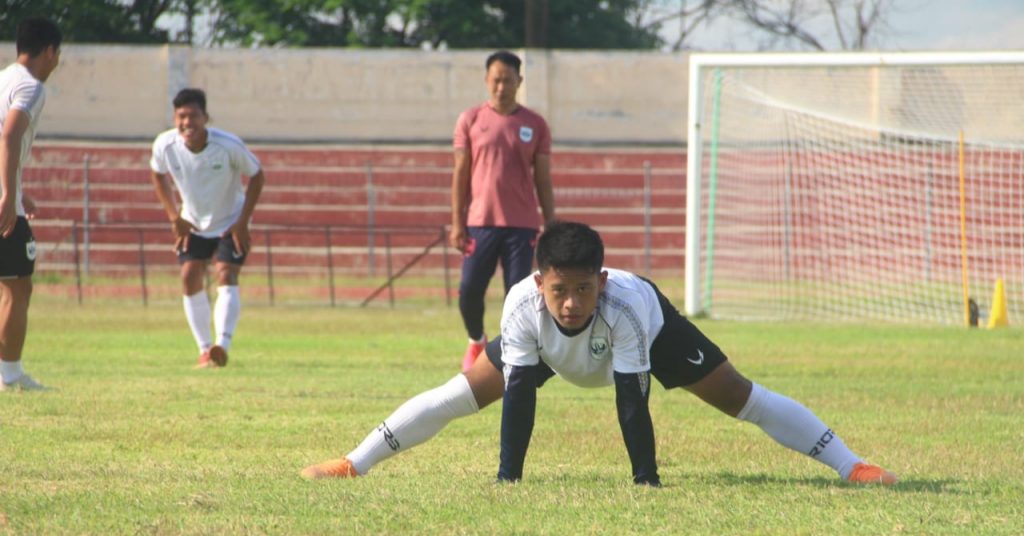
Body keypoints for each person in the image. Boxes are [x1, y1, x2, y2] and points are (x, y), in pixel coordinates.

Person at [302, 221, 897, 487]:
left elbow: (630, 405)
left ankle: (853, 466)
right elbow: (518, 403)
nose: (569, 302)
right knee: (465, 393)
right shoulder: (520, 308)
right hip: (545, 348)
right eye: (558, 290)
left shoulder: (627, 308)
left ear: (601, 282)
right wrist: (509, 479)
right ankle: (354, 461)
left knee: (740, 397)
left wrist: (647, 483)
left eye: (582, 289)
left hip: (653, 333)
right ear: (539, 283)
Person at [451, 50, 556, 371]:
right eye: (496, 80)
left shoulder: (534, 124)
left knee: (517, 296)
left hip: (521, 226)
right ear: (487, 81)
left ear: (519, 81)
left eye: (508, 80)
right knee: (469, 290)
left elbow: (542, 178)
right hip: (480, 223)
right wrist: (457, 222)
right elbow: (460, 174)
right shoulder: (470, 119)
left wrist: (551, 224)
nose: (501, 87)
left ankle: (510, 354)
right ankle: (475, 340)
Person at [150, 88, 264, 369]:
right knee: (189, 276)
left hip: (230, 221)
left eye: (193, 116)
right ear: (175, 118)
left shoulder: (228, 145)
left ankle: (221, 346)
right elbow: (157, 173)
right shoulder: (165, 145)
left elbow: (257, 175)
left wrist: (242, 222)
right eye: (181, 116)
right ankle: (204, 350)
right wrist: (174, 216)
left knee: (225, 273)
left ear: (206, 118)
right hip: (193, 221)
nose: (187, 122)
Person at [0, 17, 62, 392]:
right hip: (4, 203)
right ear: (50, 51)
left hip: (9, 192)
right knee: (18, 287)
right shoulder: (31, 86)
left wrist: (18, 187)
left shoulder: (2, 78)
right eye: (57, 56)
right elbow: (10, 132)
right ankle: (10, 375)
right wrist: (9, 194)